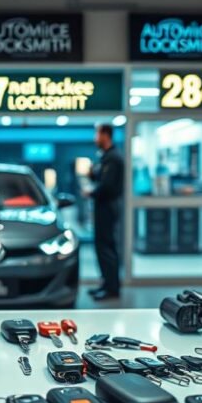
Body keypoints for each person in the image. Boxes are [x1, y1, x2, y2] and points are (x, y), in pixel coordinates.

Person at [86, 124, 125, 301]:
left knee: (107, 247)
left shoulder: (114, 158)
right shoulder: (105, 157)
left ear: (105, 135)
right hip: (103, 208)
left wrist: (91, 192)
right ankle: (105, 283)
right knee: (101, 246)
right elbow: (99, 177)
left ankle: (112, 288)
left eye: (97, 134)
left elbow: (108, 186)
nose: (95, 138)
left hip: (108, 208)